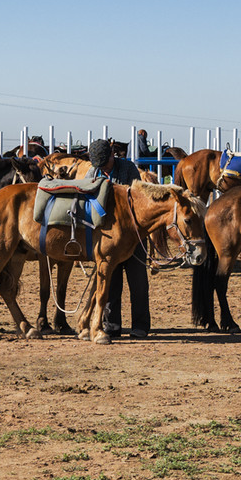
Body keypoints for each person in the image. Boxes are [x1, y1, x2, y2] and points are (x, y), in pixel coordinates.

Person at [88, 139, 151, 340]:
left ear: (112, 156)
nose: (102, 168)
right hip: (108, 238)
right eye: (98, 166)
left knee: (139, 283)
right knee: (110, 283)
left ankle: (140, 326)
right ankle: (111, 325)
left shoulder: (128, 169)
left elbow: (138, 199)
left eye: (104, 164)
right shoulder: (92, 172)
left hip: (133, 236)